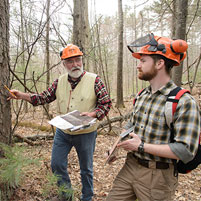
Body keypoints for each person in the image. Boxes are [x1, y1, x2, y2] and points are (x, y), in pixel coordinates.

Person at [9, 44, 112, 201]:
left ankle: (87, 197)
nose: (75, 64)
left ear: (82, 61)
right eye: (70, 61)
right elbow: (43, 97)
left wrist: (93, 114)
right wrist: (21, 95)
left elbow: (106, 104)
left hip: (85, 133)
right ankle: (66, 196)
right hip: (63, 132)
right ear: (64, 64)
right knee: (56, 164)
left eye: (77, 60)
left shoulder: (94, 80)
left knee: (86, 169)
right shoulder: (60, 81)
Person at [106, 33, 200, 201]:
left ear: (159, 63)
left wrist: (141, 146)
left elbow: (186, 151)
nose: (138, 66)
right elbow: (131, 125)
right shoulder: (142, 95)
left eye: (143, 61)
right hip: (130, 166)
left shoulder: (184, 102)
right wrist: (115, 147)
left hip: (159, 177)